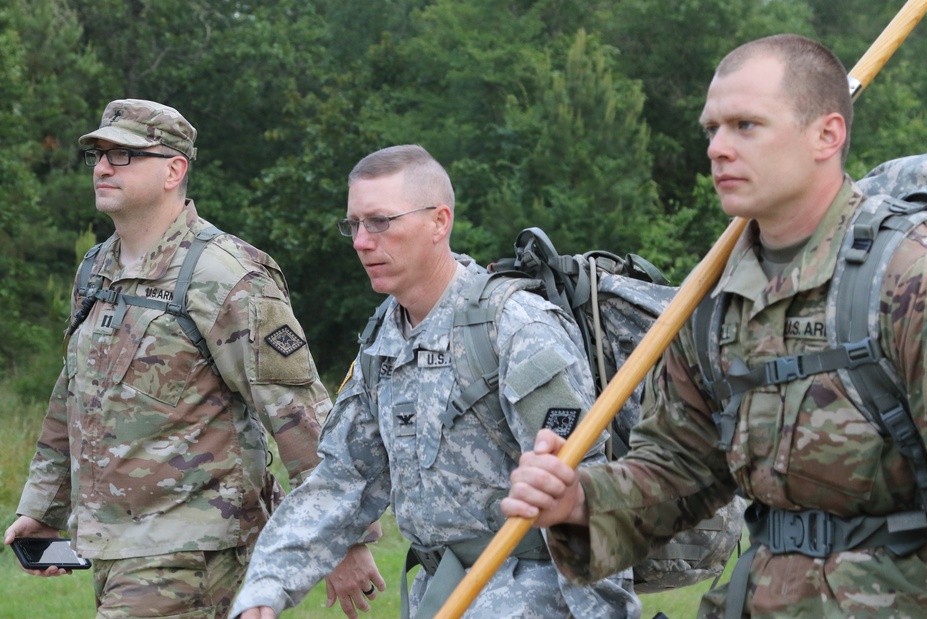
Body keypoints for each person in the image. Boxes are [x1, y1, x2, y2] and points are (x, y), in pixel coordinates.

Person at [502, 33, 927, 617]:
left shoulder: (925, 276)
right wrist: (578, 501)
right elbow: (679, 469)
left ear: (827, 135)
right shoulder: (711, 301)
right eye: (711, 129)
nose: (717, 148)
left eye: (745, 126)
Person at [4, 98, 382, 619]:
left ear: (174, 170)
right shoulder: (96, 270)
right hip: (116, 546)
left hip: (194, 549)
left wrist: (344, 537)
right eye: (97, 155)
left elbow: (299, 414)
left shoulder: (227, 276)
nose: (103, 167)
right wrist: (44, 509)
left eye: (124, 155)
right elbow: (73, 394)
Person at [229, 144, 641, 619]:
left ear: (439, 222)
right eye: (354, 224)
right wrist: (265, 589)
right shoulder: (384, 337)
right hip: (441, 594)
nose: (362, 241)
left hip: (532, 597)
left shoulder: (516, 328)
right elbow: (345, 480)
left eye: (381, 222)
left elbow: (585, 495)